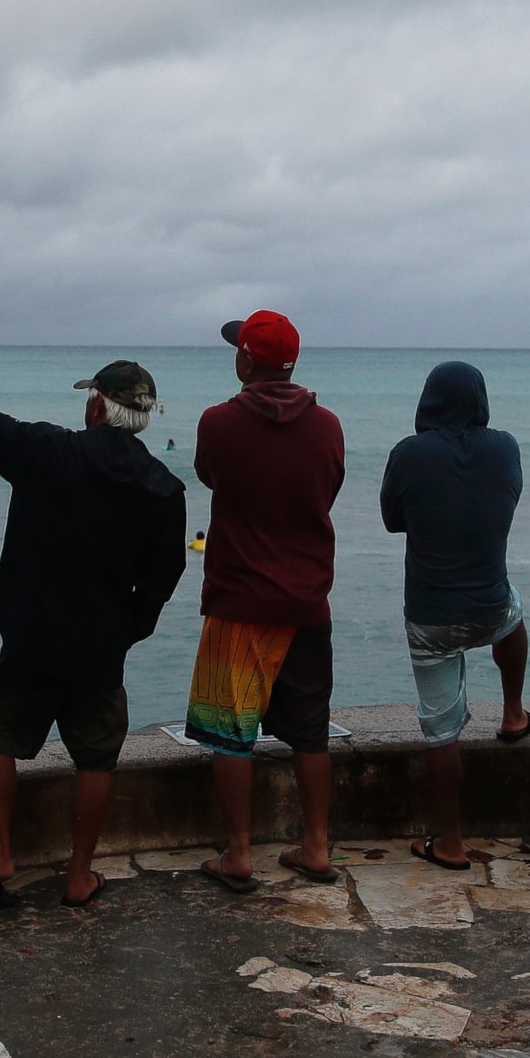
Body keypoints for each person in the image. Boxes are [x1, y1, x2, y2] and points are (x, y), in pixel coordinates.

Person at [0, 352, 187, 908]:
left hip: (31, 632)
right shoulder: (163, 488)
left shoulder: (50, 451)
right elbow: (164, 576)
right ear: (145, 417)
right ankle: (79, 875)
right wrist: (130, 629)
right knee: (98, 756)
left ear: (97, 406)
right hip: (101, 642)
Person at [185, 310, 346, 891]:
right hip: (307, 599)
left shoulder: (218, 423)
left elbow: (209, 476)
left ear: (246, 360)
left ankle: (238, 853)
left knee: (230, 730)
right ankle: (318, 847)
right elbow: (328, 487)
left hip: (239, 600)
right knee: (311, 731)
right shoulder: (327, 425)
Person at [382, 361, 530, 870]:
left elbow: (391, 521)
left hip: (431, 616)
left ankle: (450, 842)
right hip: (491, 605)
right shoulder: (506, 446)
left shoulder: (409, 454)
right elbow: (509, 498)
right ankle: (514, 712)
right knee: (514, 612)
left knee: (442, 731)